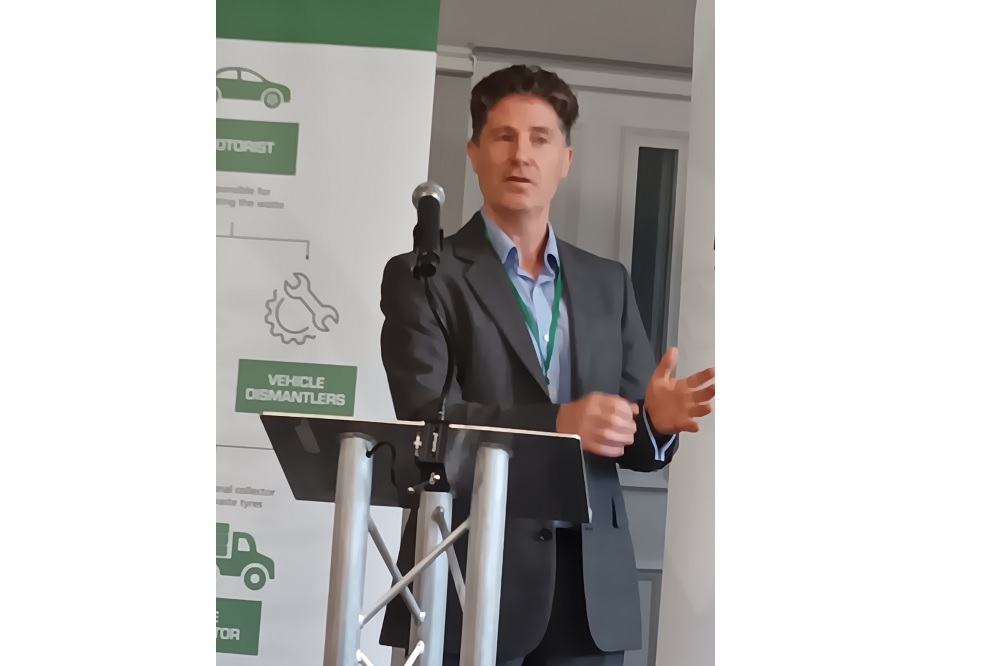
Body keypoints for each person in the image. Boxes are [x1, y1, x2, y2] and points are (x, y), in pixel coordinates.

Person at [378, 64, 715, 666]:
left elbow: (631, 445)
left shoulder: (607, 283)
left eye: (540, 138)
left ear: (566, 159)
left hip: (589, 589)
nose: (521, 155)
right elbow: (427, 423)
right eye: (504, 137)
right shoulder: (424, 275)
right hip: (466, 571)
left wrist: (654, 423)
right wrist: (557, 423)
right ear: (474, 153)